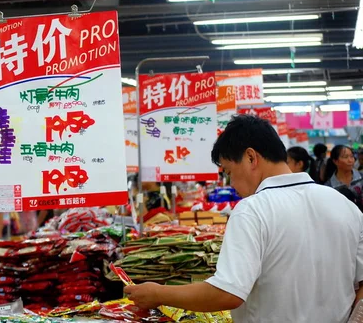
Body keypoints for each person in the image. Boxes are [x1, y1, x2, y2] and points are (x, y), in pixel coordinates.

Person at [124, 115, 363, 323]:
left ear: (250, 157)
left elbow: (228, 293)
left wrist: (159, 294)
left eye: (228, 172)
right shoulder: (346, 206)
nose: (232, 184)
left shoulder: (252, 210)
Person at [325, 145, 363, 212]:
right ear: (335, 161)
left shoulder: (361, 177)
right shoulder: (329, 187)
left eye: (352, 156)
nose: (350, 160)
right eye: (345, 157)